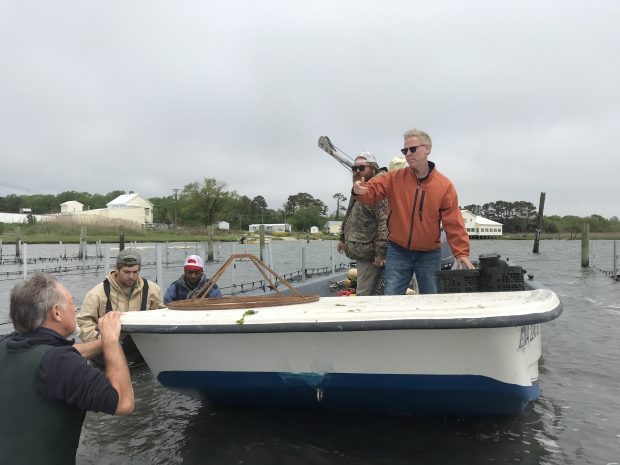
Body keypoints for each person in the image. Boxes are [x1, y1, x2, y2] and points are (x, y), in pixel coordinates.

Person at [0, 273, 134, 464]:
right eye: (72, 303)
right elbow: (123, 402)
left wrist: (103, 342)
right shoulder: (60, 363)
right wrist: (112, 340)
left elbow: (60, 354)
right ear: (57, 312)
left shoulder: (6, 344)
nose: (76, 309)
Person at [353, 128, 474, 295]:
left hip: (430, 254)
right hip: (398, 251)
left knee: (431, 299)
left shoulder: (444, 186)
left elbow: (453, 223)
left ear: (427, 149)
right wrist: (359, 191)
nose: (408, 154)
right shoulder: (393, 178)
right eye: (405, 150)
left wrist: (461, 253)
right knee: (391, 298)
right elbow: (372, 190)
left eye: (413, 149)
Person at [77, 249, 164, 342]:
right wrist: (100, 338)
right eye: (126, 272)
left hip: (143, 347)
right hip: (107, 347)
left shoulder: (153, 290)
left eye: (135, 272)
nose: (131, 276)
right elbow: (82, 322)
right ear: (116, 269)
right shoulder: (96, 294)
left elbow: (163, 316)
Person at [337, 152, 389, 296]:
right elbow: (349, 214)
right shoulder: (359, 188)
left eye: (361, 168)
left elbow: (384, 224)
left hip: (371, 255)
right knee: (363, 289)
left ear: (373, 169)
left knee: (364, 293)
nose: (357, 171)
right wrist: (342, 238)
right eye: (354, 168)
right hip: (360, 252)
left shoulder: (379, 191)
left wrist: (380, 254)